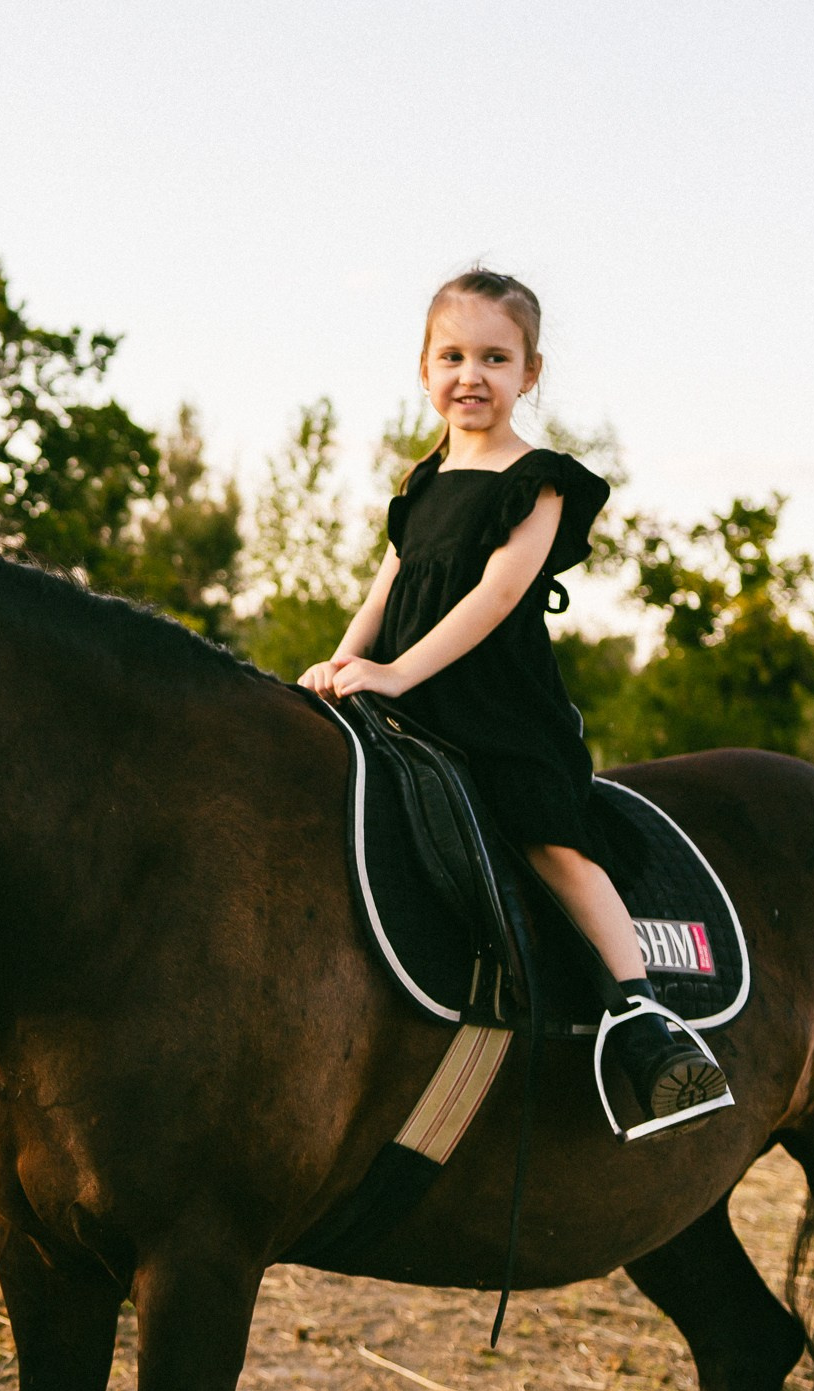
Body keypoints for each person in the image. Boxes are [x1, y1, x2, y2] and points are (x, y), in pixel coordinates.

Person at [300, 270, 731, 1140]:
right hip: (404, 687)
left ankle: (645, 1019)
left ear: (530, 373)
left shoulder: (539, 481)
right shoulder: (424, 482)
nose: (473, 375)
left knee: (550, 837)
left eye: (495, 358)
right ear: (423, 371)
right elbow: (390, 583)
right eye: (453, 356)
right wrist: (349, 657)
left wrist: (395, 674)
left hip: (497, 706)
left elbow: (495, 597)